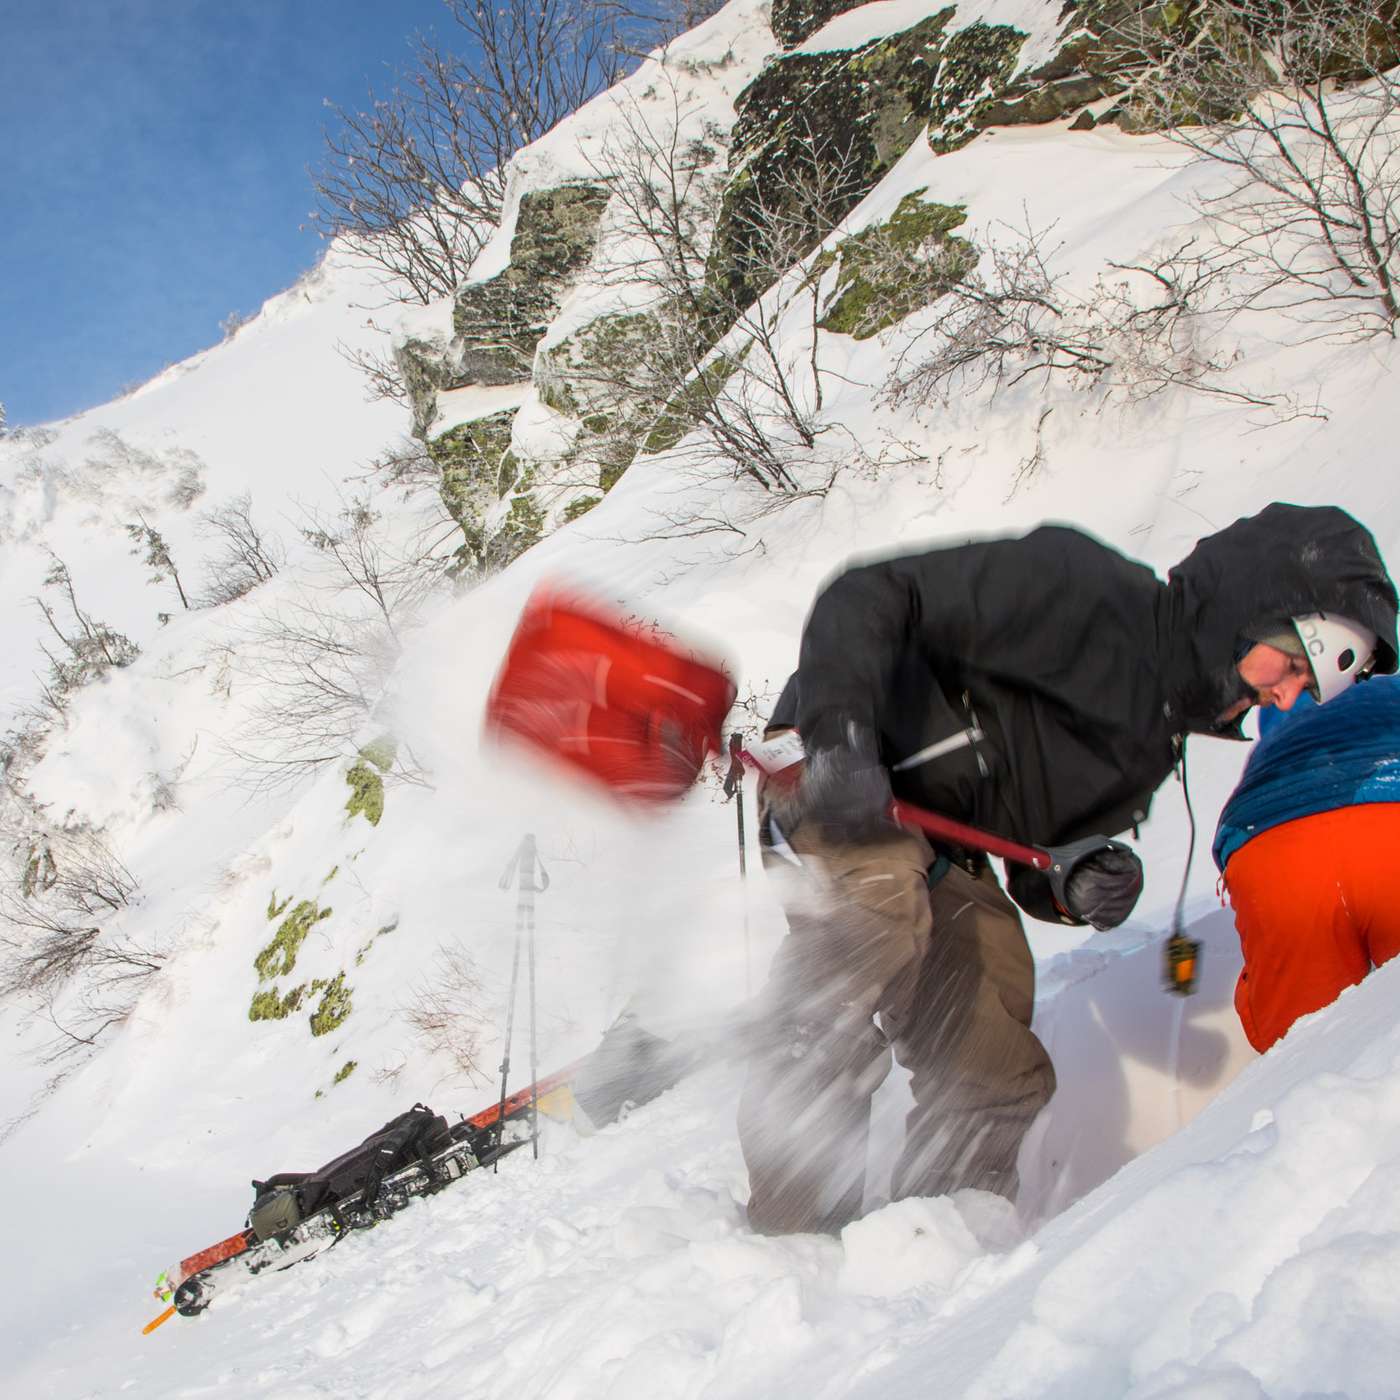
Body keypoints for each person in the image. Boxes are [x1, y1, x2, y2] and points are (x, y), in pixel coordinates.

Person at [738, 502, 1397, 1236]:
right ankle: (789, 1237)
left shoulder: (1147, 754)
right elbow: (867, 595)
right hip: (830, 780)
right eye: (1296, 664)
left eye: (1312, 687)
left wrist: (1073, 883)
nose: (1287, 696)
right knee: (875, 918)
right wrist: (843, 739)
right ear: (1260, 608)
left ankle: (932, 1245)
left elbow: (1034, 857)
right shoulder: (1087, 588)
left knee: (995, 1046)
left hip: (944, 848)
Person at [1214, 659, 1400, 1053]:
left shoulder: (1277, 736)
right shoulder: (1390, 690)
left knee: (1302, 1050)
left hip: (1271, 845)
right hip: (1387, 817)